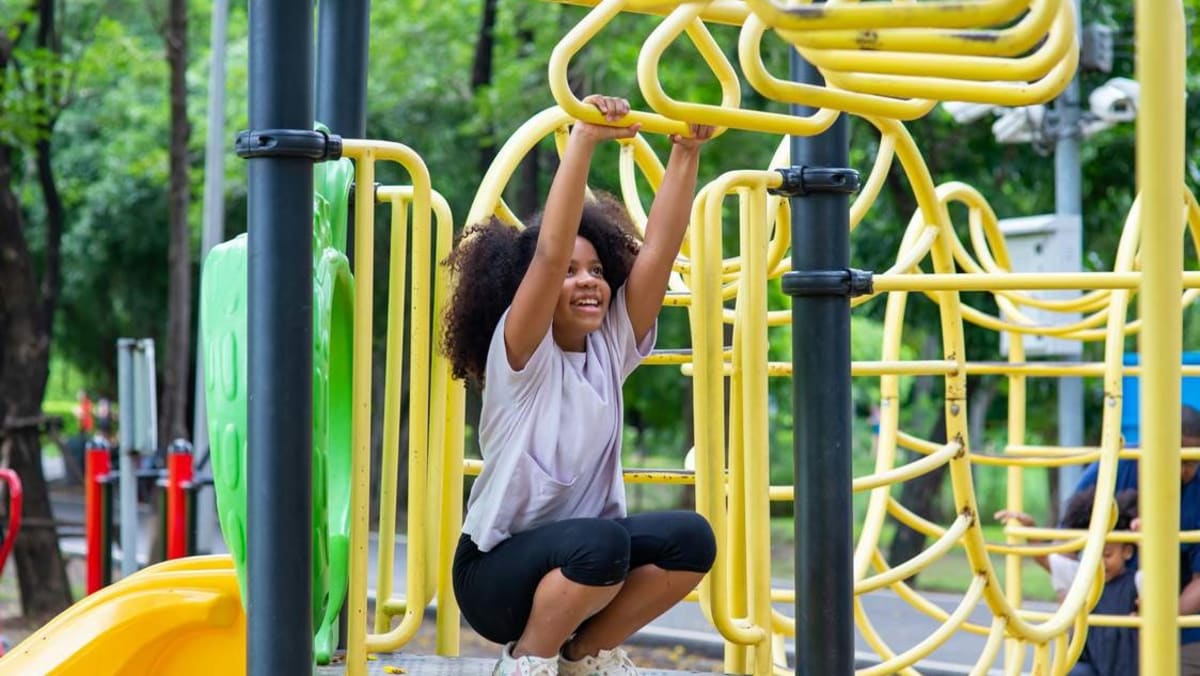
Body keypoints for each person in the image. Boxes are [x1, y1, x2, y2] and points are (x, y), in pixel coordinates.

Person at [441, 95, 717, 676]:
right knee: (602, 544)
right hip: (494, 576)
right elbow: (545, 254)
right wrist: (584, 140)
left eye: (596, 271)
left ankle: (581, 658)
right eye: (571, 274)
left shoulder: (608, 349)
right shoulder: (521, 358)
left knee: (690, 539)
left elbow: (661, 251)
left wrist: (686, 152)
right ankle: (527, 663)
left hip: (586, 560)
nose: (586, 282)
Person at [1070, 404, 1200, 674]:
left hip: (1178, 631)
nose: (1184, 471)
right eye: (1177, 459)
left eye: (1192, 461)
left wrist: (1161, 618)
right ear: (1153, 445)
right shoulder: (1111, 471)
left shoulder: (1195, 490)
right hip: (1105, 626)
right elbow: (1066, 547)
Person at [997, 487, 1141, 675]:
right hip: (1089, 660)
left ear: (1127, 552)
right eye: (1094, 555)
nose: (1101, 562)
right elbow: (1044, 558)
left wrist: (1143, 538)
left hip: (1124, 663)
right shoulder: (1082, 577)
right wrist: (1030, 529)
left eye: (1107, 554)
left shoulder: (1136, 581)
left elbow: (1157, 578)